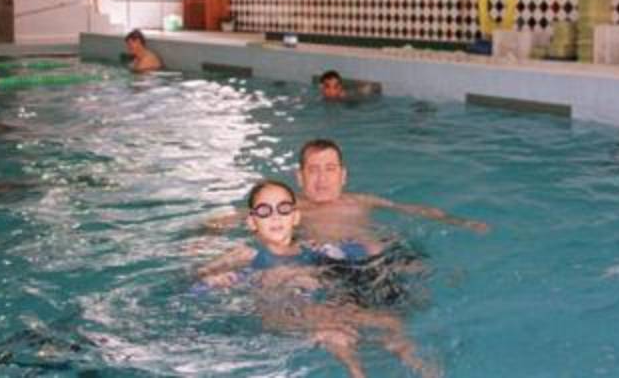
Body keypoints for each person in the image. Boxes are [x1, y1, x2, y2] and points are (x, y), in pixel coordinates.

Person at [196, 179, 437, 378]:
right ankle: (357, 373)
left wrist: (385, 253)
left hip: (320, 306)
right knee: (336, 332)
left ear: (296, 217)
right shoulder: (244, 255)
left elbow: (355, 255)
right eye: (264, 211)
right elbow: (199, 282)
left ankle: (424, 370)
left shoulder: (313, 250)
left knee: (389, 322)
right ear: (252, 222)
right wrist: (212, 279)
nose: (275, 217)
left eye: (283, 209)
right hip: (281, 315)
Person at [203, 138, 488, 258]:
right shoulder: (290, 209)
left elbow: (413, 210)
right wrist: (201, 236)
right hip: (329, 265)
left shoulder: (361, 201)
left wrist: (461, 221)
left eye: (330, 169)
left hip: (374, 258)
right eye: (313, 170)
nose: (322, 178)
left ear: (343, 175)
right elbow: (240, 218)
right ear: (300, 177)